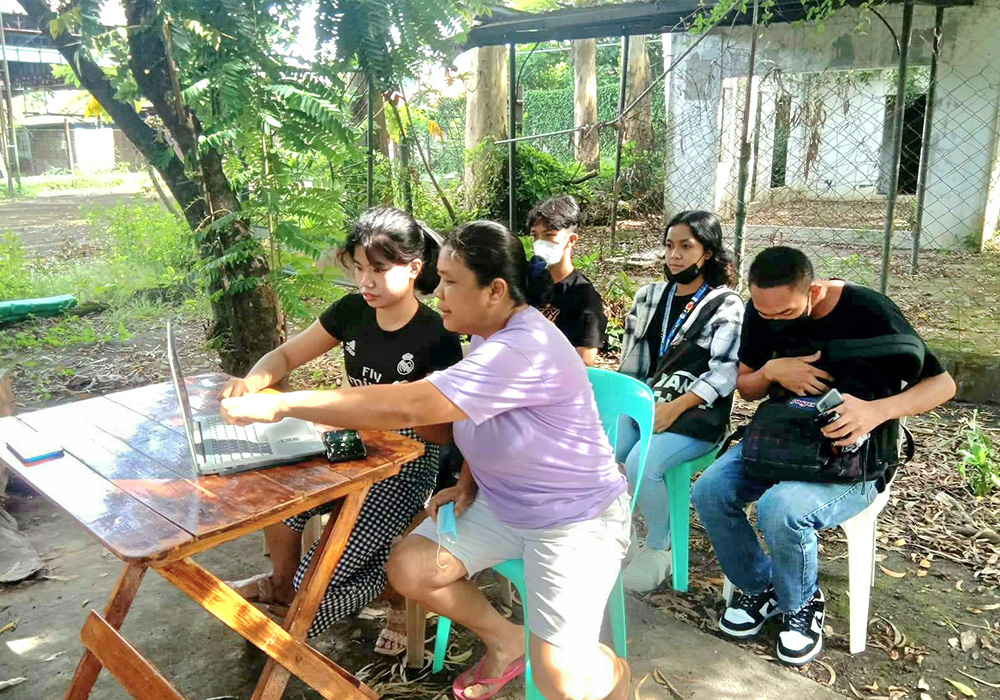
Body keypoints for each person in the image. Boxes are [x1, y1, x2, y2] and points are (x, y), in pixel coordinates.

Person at [220, 220, 632, 700]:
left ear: (495, 290)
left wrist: (281, 403)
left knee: (558, 682)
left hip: (572, 520)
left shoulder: (523, 347)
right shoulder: (484, 332)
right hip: (503, 504)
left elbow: (411, 407)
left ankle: (612, 671)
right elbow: (490, 422)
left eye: (451, 281)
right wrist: (468, 481)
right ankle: (506, 640)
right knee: (411, 566)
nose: (439, 294)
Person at [691, 246, 956, 665]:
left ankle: (801, 605)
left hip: (855, 451)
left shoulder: (869, 310)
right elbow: (747, 386)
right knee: (709, 490)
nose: (771, 320)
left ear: (813, 291)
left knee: (781, 508)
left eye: (784, 314)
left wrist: (875, 411)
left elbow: (943, 386)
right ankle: (763, 587)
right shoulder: (761, 309)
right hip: (783, 435)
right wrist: (772, 372)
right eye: (763, 311)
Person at [222, 207, 463, 655]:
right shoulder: (352, 311)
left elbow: (444, 435)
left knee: (320, 579)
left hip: (411, 462)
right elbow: (286, 357)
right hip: (349, 442)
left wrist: (389, 409)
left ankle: (334, 605)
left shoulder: (437, 336)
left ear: (414, 269)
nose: (364, 281)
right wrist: (250, 383)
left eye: (378, 269)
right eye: (357, 268)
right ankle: (282, 590)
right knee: (282, 500)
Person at [616, 210, 744, 593]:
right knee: (605, 452)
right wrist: (628, 406)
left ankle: (662, 545)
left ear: (707, 252)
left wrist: (674, 407)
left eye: (686, 246)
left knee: (641, 461)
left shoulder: (726, 304)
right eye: (670, 246)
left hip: (696, 414)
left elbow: (725, 373)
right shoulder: (650, 296)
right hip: (647, 404)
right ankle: (623, 538)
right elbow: (632, 364)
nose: (675, 255)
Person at [527, 195, 608, 366]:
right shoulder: (527, 281)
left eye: (549, 235)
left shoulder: (584, 297)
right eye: (535, 236)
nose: (540, 243)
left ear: (571, 240)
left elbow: (584, 362)